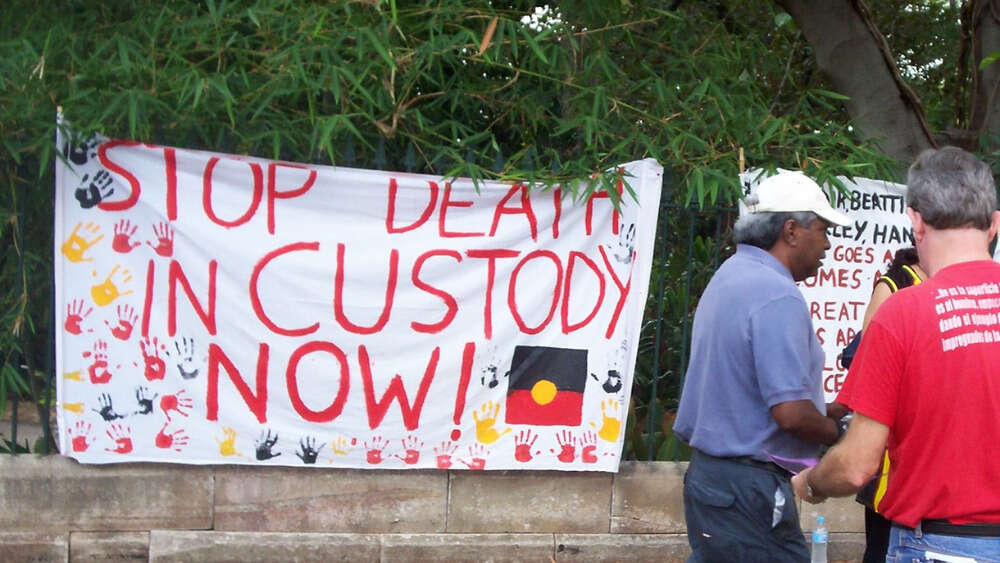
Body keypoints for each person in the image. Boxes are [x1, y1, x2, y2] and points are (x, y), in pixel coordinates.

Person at [792, 146, 1000, 562]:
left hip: (939, 545)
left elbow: (856, 465)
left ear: (916, 222)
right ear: (994, 224)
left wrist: (811, 483)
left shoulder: (902, 312)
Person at [673, 171, 851, 562]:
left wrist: (825, 410)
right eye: (822, 230)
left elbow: (743, 391)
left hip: (714, 478)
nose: (827, 244)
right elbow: (790, 414)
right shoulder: (777, 295)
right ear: (791, 230)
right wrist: (836, 430)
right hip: (748, 486)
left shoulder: (731, 275)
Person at [840, 246, 926, 563]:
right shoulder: (895, 286)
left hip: (935, 460)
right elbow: (869, 361)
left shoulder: (963, 290)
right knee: (882, 545)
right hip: (894, 453)